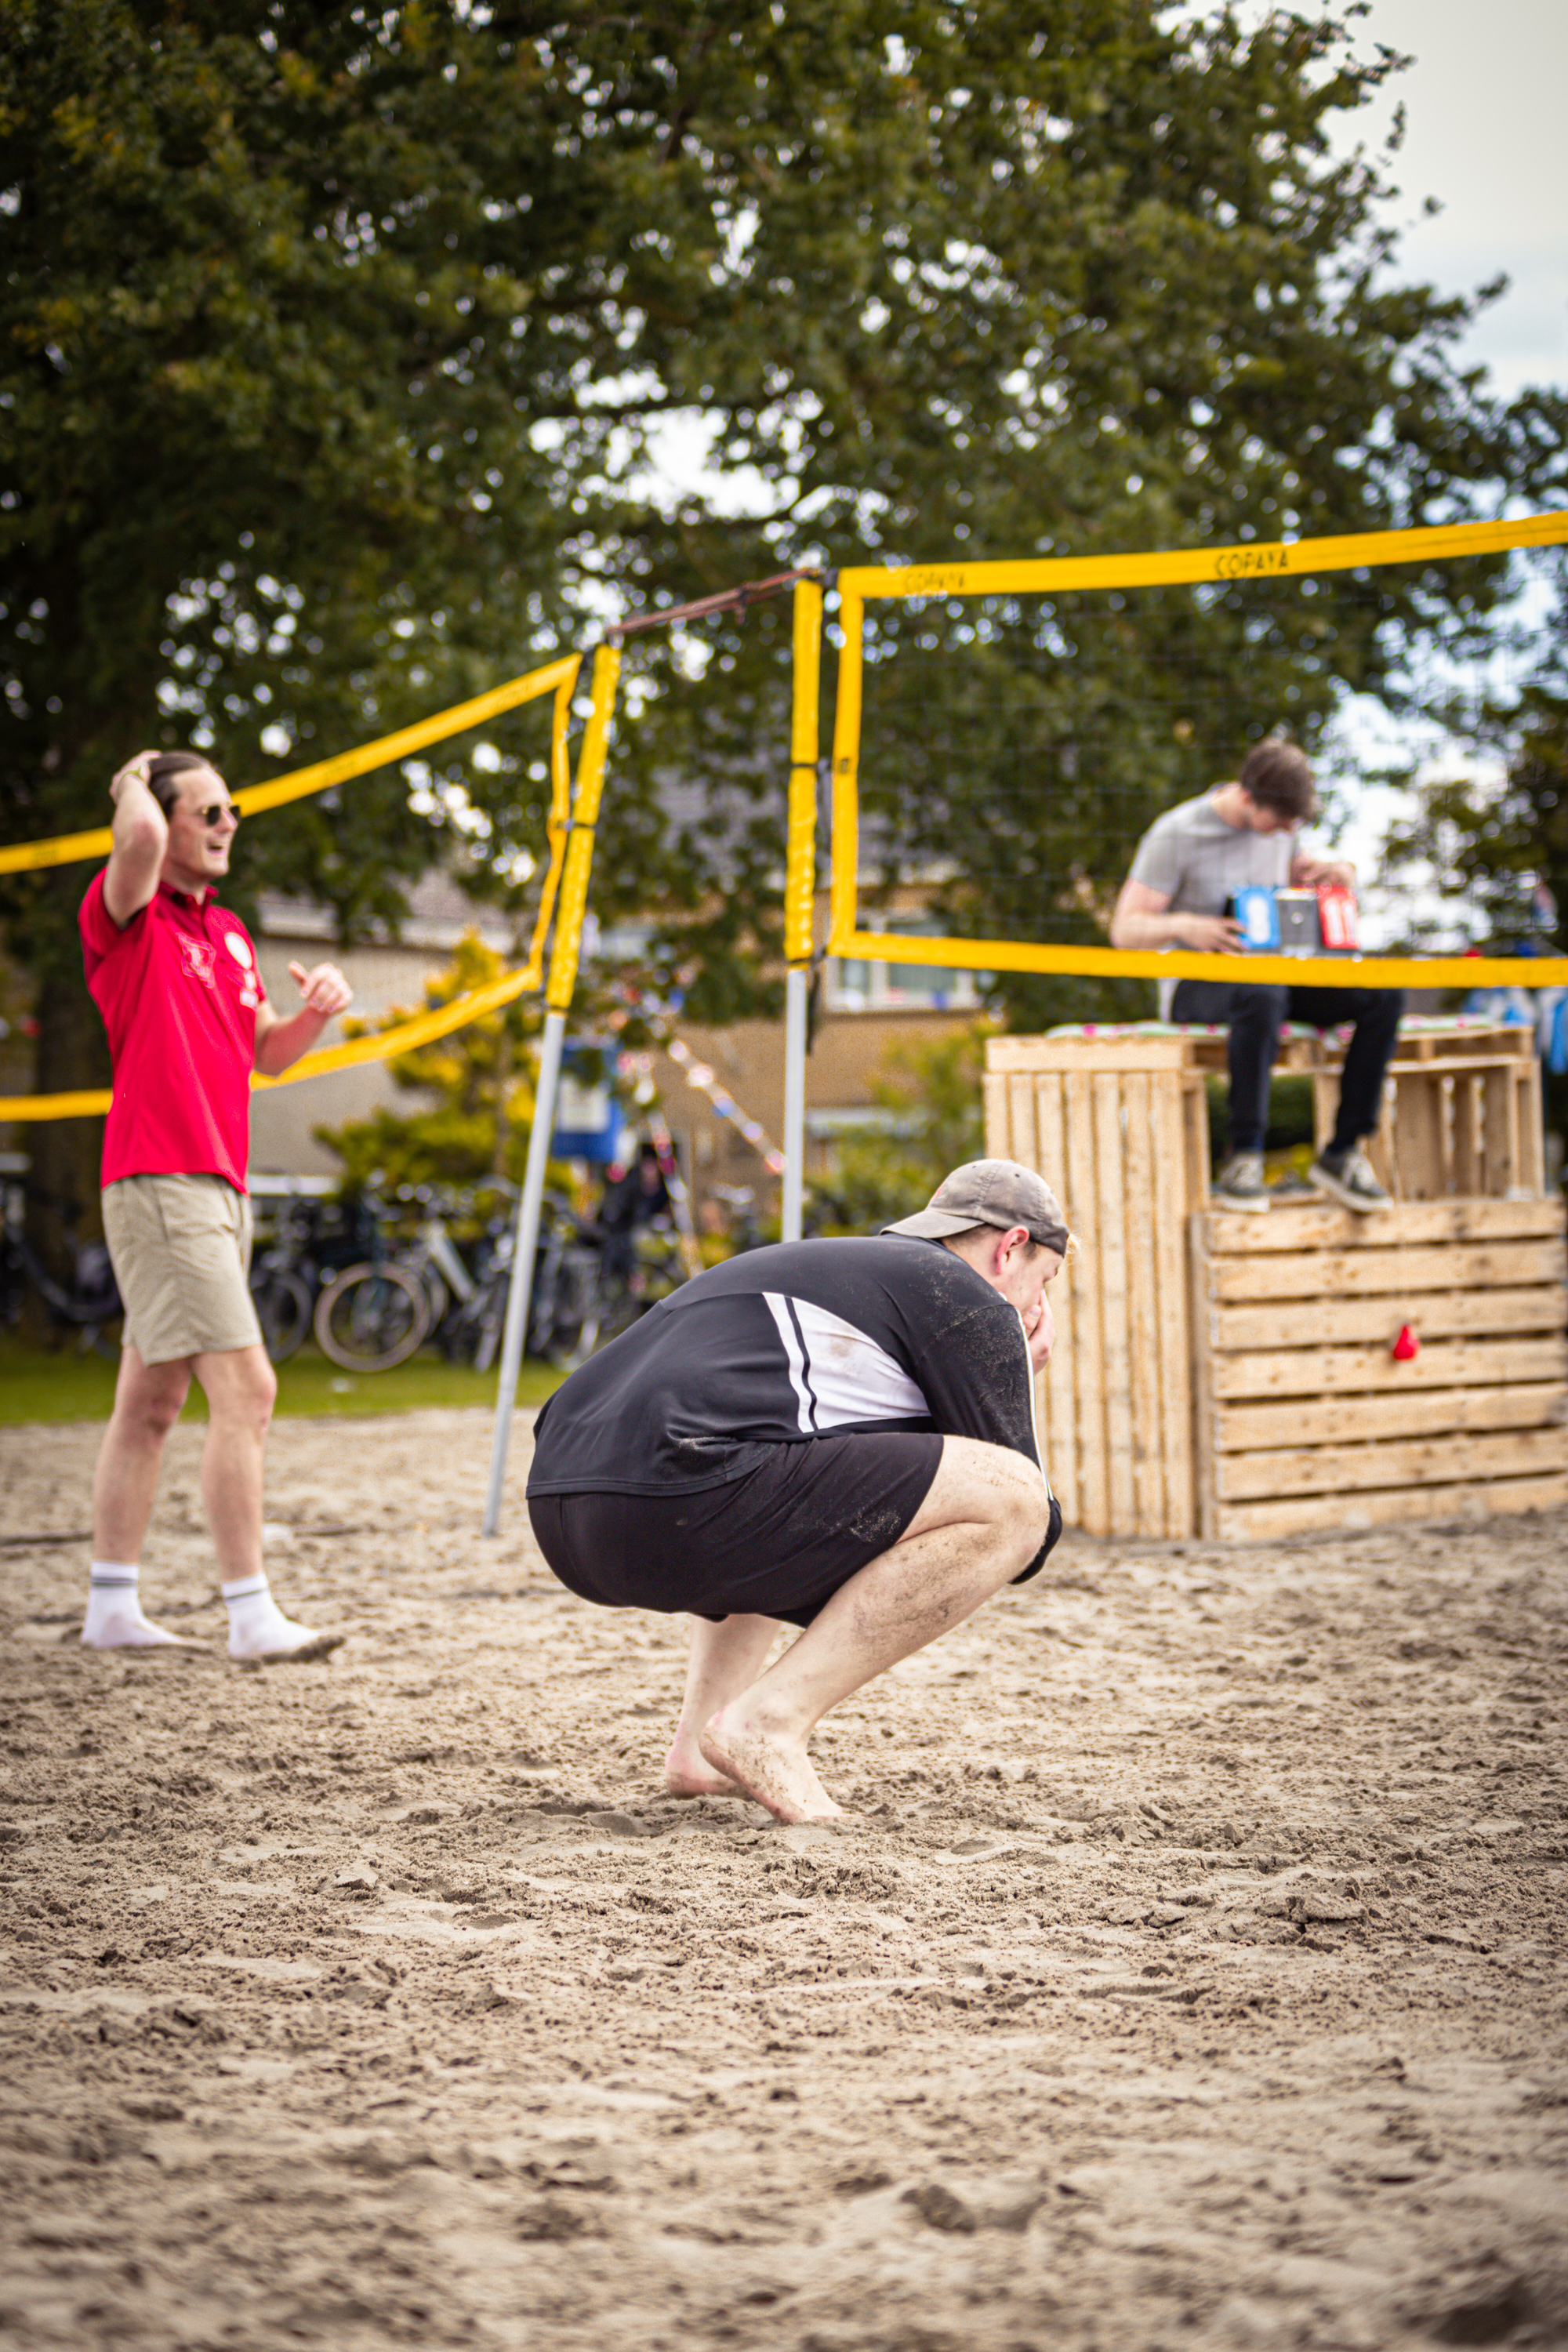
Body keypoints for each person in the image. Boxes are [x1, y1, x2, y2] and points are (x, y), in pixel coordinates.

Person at [526, 1158, 1067, 1823]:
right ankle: (768, 1722)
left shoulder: (840, 1272)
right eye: (1045, 1281)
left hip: (562, 1507)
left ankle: (698, 1750)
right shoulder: (967, 1294)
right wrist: (1019, 1361)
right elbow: (1029, 1525)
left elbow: (881, 1464)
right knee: (1014, 1500)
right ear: (1011, 1247)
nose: (1040, 1305)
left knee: (784, 1460)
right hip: (670, 1499)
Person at [77, 747, 354, 1658]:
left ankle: (111, 1606)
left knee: (151, 1403)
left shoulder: (229, 933)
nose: (227, 822)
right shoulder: (126, 913)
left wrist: (314, 1011)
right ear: (161, 819)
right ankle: (249, 1613)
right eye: (208, 810)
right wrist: (133, 778)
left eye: (232, 809)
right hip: (158, 1180)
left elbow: (265, 1055)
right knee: (250, 1389)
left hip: (219, 1183)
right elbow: (144, 833)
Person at [1110, 739, 1402, 1212]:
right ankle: (1242, 1158)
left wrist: (1339, 874)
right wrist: (1186, 926)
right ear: (1247, 797)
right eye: (1280, 822)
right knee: (1263, 995)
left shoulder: (1282, 831)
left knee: (1382, 996)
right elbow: (1124, 929)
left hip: (1270, 973)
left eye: (1294, 825)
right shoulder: (1177, 835)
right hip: (1195, 979)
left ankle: (1343, 1152)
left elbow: (1297, 891)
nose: (1287, 831)